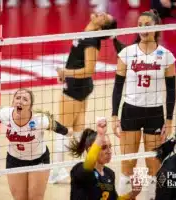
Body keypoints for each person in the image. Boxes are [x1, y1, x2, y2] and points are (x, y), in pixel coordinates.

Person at [111, 9, 176, 200]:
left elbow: (171, 91)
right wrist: (114, 116)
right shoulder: (126, 53)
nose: (142, 28)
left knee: (153, 164)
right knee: (127, 163)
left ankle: (149, 196)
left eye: (147, 25)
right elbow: (117, 88)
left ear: (156, 28)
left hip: (155, 113)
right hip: (130, 111)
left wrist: (169, 119)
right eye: (139, 25)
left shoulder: (166, 56)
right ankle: (126, 196)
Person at [50, 12, 117, 184]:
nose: (101, 13)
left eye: (104, 17)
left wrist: (66, 72)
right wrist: (66, 72)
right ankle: (77, 168)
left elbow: (89, 70)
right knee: (78, 129)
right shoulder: (87, 34)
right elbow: (76, 60)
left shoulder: (91, 41)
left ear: (101, 26)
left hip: (76, 87)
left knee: (62, 129)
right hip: (78, 86)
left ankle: (56, 171)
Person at [0, 88, 71, 200]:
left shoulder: (39, 120)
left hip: (38, 161)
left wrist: (69, 133)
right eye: (17, 98)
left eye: (25, 99)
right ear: (13, 102)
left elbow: (57, 126)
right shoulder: (5, 114)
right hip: (14, 160)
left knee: (35, 198)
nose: (20, 101)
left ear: (30, 106)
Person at [69, 117, 141, 200]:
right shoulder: (79, 170)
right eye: (104, 147)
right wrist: (100, 136)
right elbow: (89, 162)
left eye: (110, 147)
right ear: (90, 150)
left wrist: (132, 194)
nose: (109, 151)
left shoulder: (109, 174)